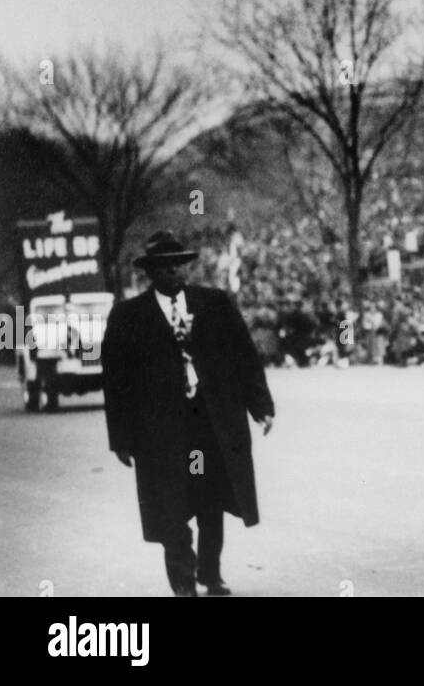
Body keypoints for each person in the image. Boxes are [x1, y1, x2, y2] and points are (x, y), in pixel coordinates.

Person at [102, 231, 275, 596]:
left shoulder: (214, 304)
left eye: (178, 264)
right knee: (171, 505)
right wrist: (121, 439)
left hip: (208, 427)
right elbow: (116, 383)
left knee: (210, 499)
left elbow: (245, 356)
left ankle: (209, 573)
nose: (174, 272)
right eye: (164, 267)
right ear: (151, 272)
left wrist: (261, 406)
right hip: (162, 435)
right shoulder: (128, 317)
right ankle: (183, 582)